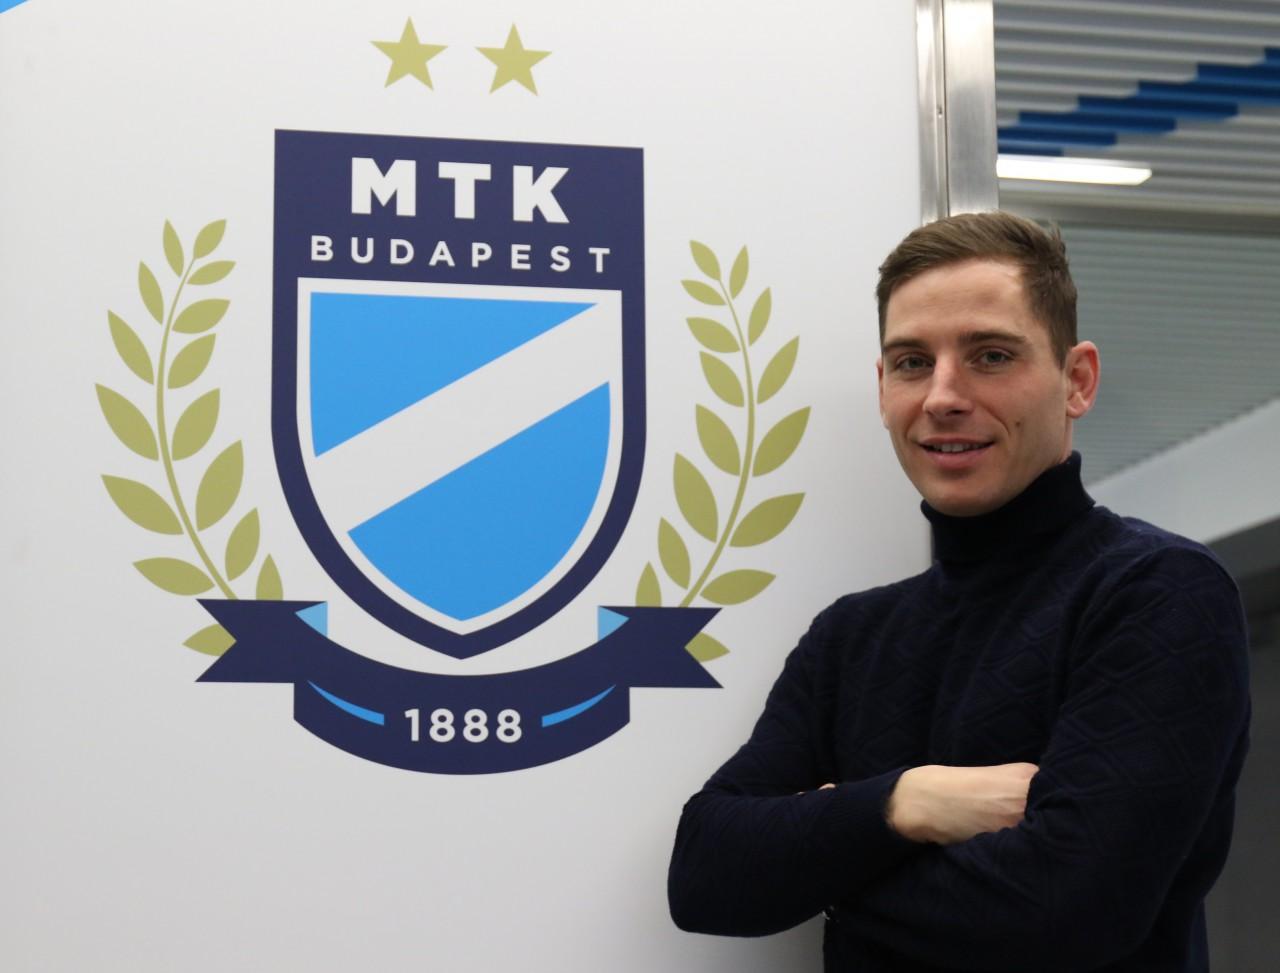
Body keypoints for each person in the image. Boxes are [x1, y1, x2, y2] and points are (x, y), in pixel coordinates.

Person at [667, 211, 1250, 972]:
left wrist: (825, 865)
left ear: (1077, 381)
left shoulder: (1155, 591)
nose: (943, 395)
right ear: (884, 388)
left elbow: (1065, 910)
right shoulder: (851, 636)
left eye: (991, 356)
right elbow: (704, 873)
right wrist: (907, 801)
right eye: (913, 362)